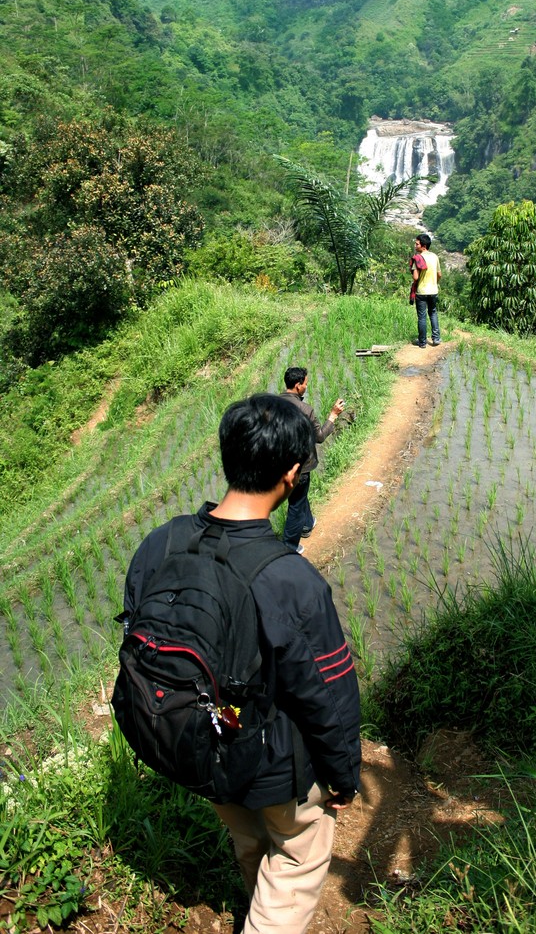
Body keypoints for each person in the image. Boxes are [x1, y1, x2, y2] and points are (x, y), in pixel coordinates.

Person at [122, 393, 361, 934]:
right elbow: (326, 695)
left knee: (247, 835)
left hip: (199, 741)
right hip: (275, 764)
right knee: (297, 853)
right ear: (293, 474)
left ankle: (256, 898)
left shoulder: (162, 543)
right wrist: (344, 777)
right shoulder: (289, 579)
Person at [280, 367, 345, 553]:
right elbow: (320, 437)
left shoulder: (273, 403)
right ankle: (289, 547)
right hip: (300, 466)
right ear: (298, 385)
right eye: (306, 384)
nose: (307, 387)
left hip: (279, 461)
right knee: (295, 505)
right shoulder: (305, 410)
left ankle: (308, 524)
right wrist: (333, 416)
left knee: (298, 496)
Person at [411, 232, 442, 348]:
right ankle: (436, 338)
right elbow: (439, 274)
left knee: (422, 316)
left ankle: (423, 342)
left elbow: (415, 277)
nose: (415, 246)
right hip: (433, 290)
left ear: (423, 246)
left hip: (422, 291)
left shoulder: (418, 258)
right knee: (433, 313)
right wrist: (435, 283)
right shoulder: (435, 257)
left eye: (417, 244)